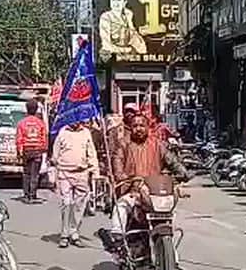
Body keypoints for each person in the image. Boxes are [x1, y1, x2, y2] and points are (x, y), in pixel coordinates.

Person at [103, 110, 190, 252]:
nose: (139, 129)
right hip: (133, 190)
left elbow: (172, 161)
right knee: (122, 205)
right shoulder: (123, 144)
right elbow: (117, 164)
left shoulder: (157, 144)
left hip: (154, 191)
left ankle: (169, 255)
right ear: (130, 127)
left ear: (147, 127)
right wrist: (123, 177)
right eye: (135, 126)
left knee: (168, 211)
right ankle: (118, 236)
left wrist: (182, 172)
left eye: (142, 125)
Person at [50, 119, 100, 248]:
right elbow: (55, 155)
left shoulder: (86, 133)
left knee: (79, 205)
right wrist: (55, 168)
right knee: (66, 203)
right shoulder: (63, 132)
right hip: (65, 172)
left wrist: (95, 171)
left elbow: (92, 153)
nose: (75, 122)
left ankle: (74, 232)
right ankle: (64, 234)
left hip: (82, 173)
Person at [15, 99, 48, 204]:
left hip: (27, 151)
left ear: (27, 109)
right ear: (36, 109)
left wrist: (19, 152)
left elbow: (19, 139)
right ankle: (32, 195)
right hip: (38, 151)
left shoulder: (21, 123)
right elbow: (44, 138)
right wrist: (44, 149)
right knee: (35, 174)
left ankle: (26, 195)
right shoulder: (40, 123)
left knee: (26, 173)